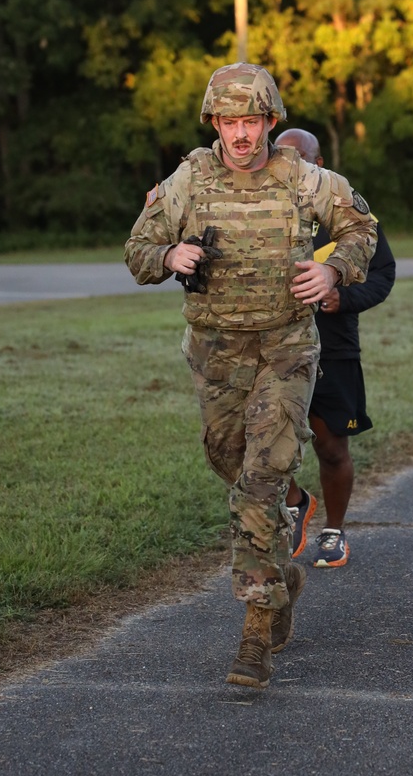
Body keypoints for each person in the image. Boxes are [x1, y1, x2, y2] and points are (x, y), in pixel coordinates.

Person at [123, 64, 376, 691]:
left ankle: (256, 631)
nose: (242, 134)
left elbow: (360, 228)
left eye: (253, 121)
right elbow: (137, 251)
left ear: (271, 121)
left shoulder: (304, 178)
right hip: (215, 352)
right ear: (215, 123)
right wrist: (167, 255)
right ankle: (284, 577)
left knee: (262, 484)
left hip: (287, 346)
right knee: (228, 460)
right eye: (230, 122)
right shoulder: (189, 180)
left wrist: (335, 270)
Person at [276, 130, 396, 568]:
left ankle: (334, 531)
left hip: (333, 348)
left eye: (300, 160)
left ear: (319, 162)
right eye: (282, 158)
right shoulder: (262, 208)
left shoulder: (345, 209)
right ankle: (295, 502)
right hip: (275, 347)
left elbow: (383, 274)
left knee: (330, 447)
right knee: (271, 443)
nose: (290, 167)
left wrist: (342, 298)